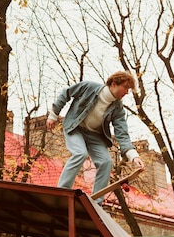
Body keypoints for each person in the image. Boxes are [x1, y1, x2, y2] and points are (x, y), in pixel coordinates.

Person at [47, 71, 145, 204]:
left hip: (95, 136)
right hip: (75, 128)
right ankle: (62, 191)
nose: (127, 92)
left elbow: (122, 133)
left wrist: (134, 156)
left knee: (106, 162)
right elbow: (67, 93)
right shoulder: (89, 87)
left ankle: (96, 202)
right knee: (80, 153)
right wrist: (54, 114)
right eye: (126, 88)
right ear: (114, 84)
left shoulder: (118, 108)